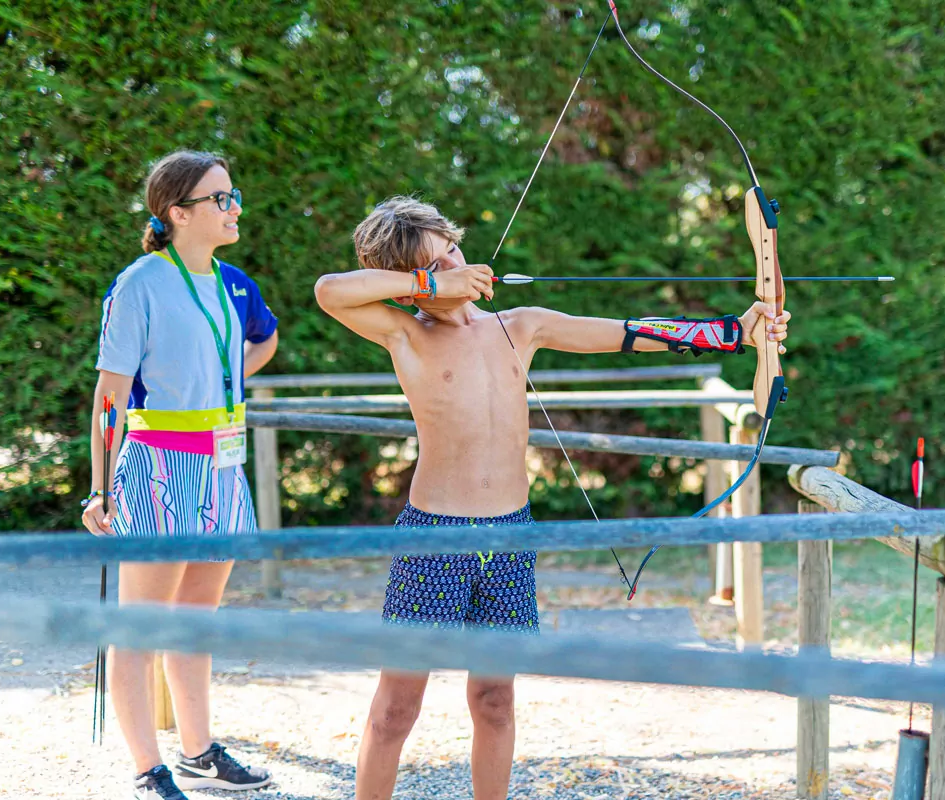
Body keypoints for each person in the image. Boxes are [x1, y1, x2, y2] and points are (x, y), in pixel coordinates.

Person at [313, 195, 790, 800]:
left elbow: (626, 334)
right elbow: (330, 290)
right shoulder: (405, 332)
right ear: (410, 283)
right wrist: (433, 281)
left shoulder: (520, 325)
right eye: (440, 262)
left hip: (511, 537)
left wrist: (733, 332)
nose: (461, 264)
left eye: (455, 249)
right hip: (434, 539)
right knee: (394, 711)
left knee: (494, 700)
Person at [80, 150, 280, 800]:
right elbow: (110, 397)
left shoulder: (231, 280)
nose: (234, 208)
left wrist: (222, 380)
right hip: (159, 466)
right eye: (220, 198)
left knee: (196, 619)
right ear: (177, 213)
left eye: (233, 195)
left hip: (224, 466)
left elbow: (262, 341)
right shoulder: (139, 282)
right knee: (142, 623)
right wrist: (101, 487)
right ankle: (147, 768)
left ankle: (197, 753)